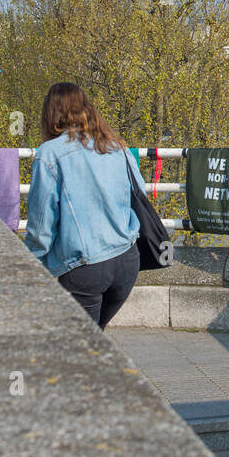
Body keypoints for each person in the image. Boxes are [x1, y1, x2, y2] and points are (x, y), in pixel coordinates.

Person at [24, 82, 140, 330]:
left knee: (78, 349)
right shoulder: (115, 145)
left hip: (83, 267)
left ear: (50, 113)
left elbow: (41, 222)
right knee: (93, 342)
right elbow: (137, 193)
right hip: (126, 260)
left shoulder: (50, 153)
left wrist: (29, 263)